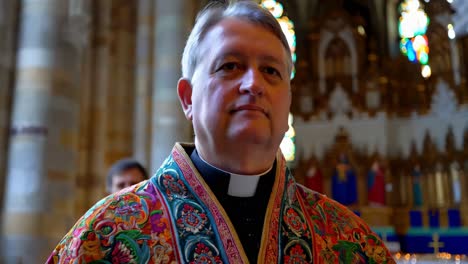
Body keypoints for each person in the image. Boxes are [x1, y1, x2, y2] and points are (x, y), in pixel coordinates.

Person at [47, 1, 394, 263]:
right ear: (187, 98)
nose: (253, 84)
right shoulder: (103, 238)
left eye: (271, 71)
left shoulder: (349, 241)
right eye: (230, 66)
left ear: (289, 104)